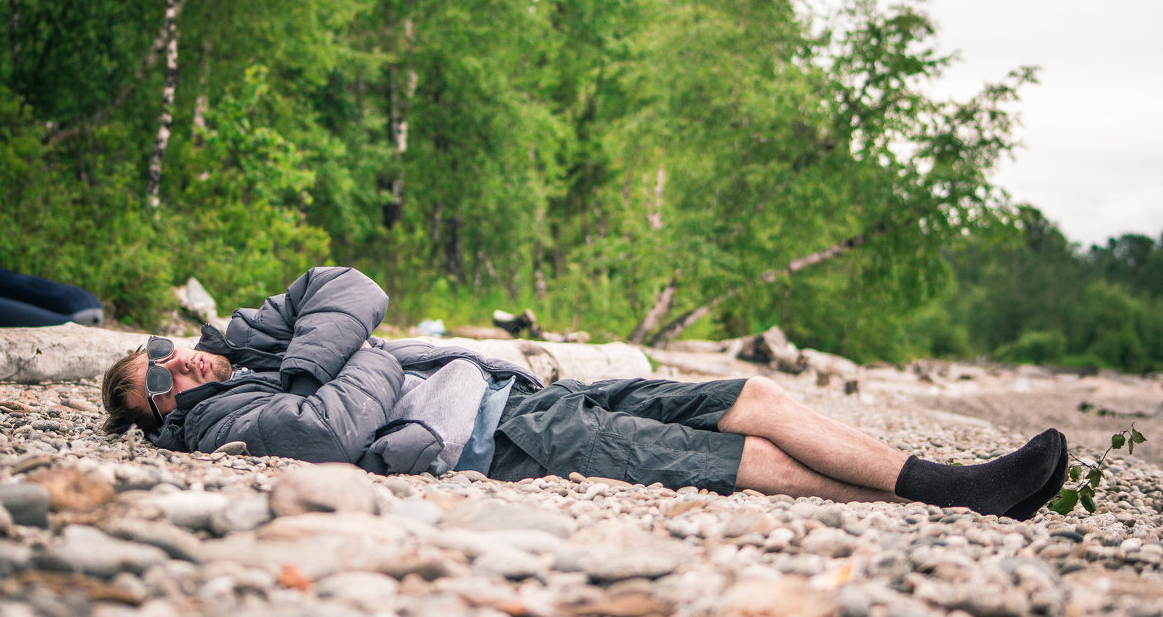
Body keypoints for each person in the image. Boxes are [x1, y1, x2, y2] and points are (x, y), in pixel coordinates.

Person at [101, 267, 1068, 519]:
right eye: (157, 386)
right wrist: (356, 358)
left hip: (506, 381)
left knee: (752, 392)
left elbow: (350, 289)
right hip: (495, 434)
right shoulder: (220, 419)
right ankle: (959, 496)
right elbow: (329, 428)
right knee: (745, 462)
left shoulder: (237, 347)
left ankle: (946, 478)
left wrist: (315, 346)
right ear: (163, 419)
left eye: (163, 352)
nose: (175, 367)